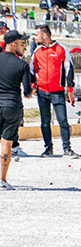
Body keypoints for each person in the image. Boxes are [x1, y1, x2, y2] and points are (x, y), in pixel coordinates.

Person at [30, 24, 78, 158]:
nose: (35, 37)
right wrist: (33, 85)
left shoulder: (61, 49)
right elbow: (31, 70)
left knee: (62, 120)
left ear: (44, 35)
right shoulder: (37, 52)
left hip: (57, 91)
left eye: (37, 35)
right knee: (45, 121)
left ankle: (67, 148)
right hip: (42, 92)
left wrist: (69, 89)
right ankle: (48, 148)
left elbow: (69, 69)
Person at [0, 30, 32, 189]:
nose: (24, 47)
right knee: (6, 143)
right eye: (22, 44)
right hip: (12, 106)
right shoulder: (22, 64)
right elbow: (27, 93)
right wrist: (32, 91)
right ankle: (2, 180)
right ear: (13, 45)